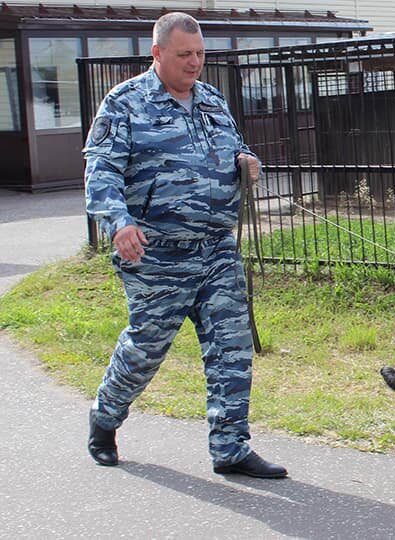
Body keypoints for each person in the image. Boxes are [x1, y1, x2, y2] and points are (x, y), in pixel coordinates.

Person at [83, 12, 286, 479]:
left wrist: (246, 162)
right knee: (145, 350)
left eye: (199, 54)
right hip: (156, 254)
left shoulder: (212, 99)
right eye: (184, 55)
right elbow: (101, 171)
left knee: (231, 348)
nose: (195, 63)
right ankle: (105, 419)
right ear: (157, 53)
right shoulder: (125, 103)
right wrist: (119, 223)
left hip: (216, 249)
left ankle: (230, 448)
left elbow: (236, 148)